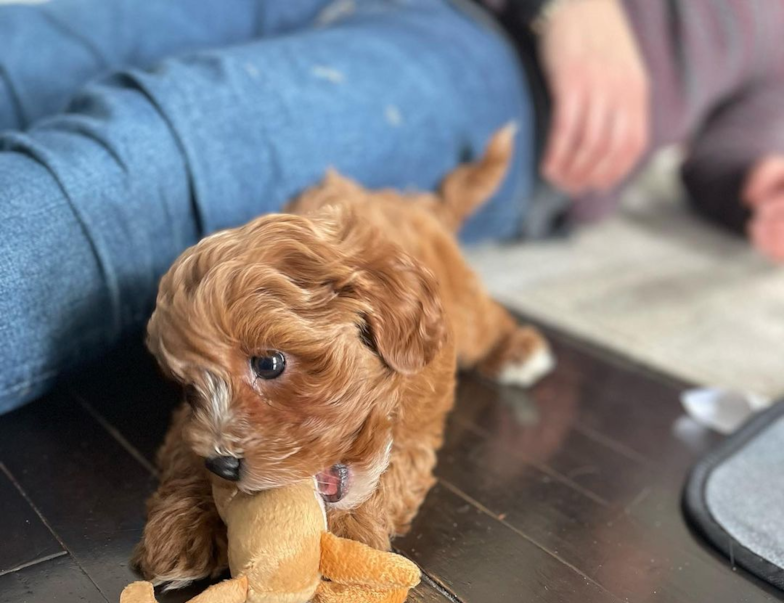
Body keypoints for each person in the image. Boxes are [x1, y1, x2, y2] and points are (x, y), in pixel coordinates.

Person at [0, 0, 782, 416]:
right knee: (30, 47)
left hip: (502, 63)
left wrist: (761, 177)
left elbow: (736, 145)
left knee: (158, 149)